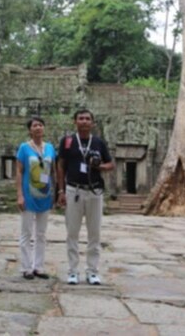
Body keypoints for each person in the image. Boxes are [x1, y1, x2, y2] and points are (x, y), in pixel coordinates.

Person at [56, 109, 115, 285]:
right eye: (80, 118)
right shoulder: (67, 142)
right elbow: (60, 166)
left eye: (87, 119)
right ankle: (73, 271)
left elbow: (111, 163)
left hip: (94, 190)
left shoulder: (98, 142)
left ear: (93, 123)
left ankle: (92, 271)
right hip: (73, 190)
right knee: (72, 232)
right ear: (75, 121)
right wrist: (60, 191)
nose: (84, 121)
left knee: (94, 233)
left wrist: (101, 167)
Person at [15, 115, 56, 280]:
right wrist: (19, 195)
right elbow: (18, 171)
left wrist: (57, 191)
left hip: (45, 195)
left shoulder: (50, 148)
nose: (38, 127)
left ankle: (39, 267)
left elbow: (53, 171)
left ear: (44, 128)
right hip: (28, 194)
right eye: (34, 126)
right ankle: (26, 267)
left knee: (41, 233)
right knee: (26, 232)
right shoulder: (24, 148)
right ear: (30, 130)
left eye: (40, 124)